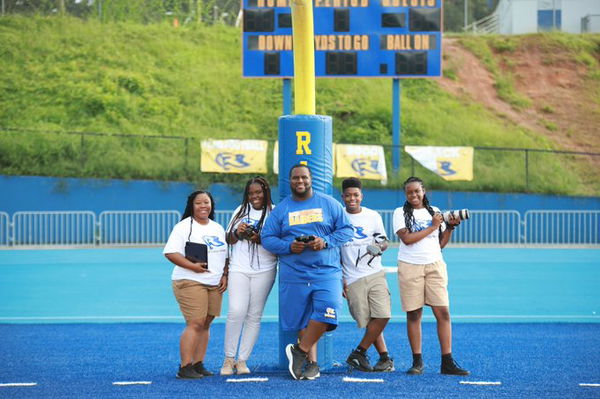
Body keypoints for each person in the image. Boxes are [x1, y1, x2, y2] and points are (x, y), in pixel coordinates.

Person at [261, 164, 353, 380]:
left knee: (329, 310)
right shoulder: (282, 209)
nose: (299, 181)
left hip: (326, 271)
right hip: (294, 274)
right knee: (302, 319)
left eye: (303, 177)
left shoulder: (329, 203)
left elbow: (347, 229)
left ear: (311, 179)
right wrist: (289, 247)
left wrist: (326, 241)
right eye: (295, 178)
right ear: (289, 181)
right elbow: (267, 238)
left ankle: (299, 351)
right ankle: (312, 364)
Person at [393, 176, 469, 376]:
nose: (414, 195)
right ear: (406, 194)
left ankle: (447, 362)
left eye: (417, 191)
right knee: (414, 313)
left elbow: (440, 244)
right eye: (409, 192)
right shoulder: (399, 213)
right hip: (410, 265)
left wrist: (450, 227)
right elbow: (407, 239)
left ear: (423, 190)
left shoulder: (434, 211)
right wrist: (433, 226)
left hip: (434, 264)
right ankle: (417, 361)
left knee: (443, 313)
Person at [163, 190, 228, 379]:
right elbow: (171, 253)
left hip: (214, 282)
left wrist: (225, 274)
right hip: (191, 280)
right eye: (199, 203)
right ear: (192, 206)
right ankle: (185, 367)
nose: (203, 206)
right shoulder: (184, 227)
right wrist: (193, 267)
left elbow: (225, 255)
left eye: (206, 202)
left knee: (206, 323)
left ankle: (198, 364)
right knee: (195, 322)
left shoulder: (217, 227)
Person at [220, 177, 277, 376]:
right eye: (251, 193)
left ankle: (242, 360)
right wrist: (238, 231)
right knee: (236, 311)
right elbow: (228, 239)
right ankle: (228, 359)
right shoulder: (240, 211)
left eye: (258, 192)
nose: (255, 197)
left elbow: (278, 244)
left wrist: (259, 238)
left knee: (254, 315)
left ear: (266, 192)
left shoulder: (274, 212)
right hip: (239, 267)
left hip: (265, 269)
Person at [339, 177, 394, 373]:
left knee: (383, 315)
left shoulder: (373, 216)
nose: (352, 198)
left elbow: (384, 241)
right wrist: (340, 278)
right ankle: (385, 358)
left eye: (356, 195)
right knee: (368, 321)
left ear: (362, 196)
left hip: (374, 272)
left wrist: (379, 247)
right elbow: (334, 251)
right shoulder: (338, 217)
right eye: (348, 195)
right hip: (352, 278)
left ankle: (359, 352)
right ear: (342, 197)